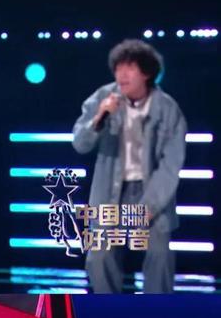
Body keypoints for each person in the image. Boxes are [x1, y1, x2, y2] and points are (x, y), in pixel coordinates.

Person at [72, 38, 187, 293]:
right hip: (109, 192)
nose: (121, 74)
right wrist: (99, 117)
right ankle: (111, 311)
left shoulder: (168, 108)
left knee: (160, 256)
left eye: (130, 68)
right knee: (98, 257)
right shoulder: (103, 97)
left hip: (151, 191)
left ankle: (157, 313)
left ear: (146, 73)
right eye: (118, 68)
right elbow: (80, 143)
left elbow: (171, 163)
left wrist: (150, 206)